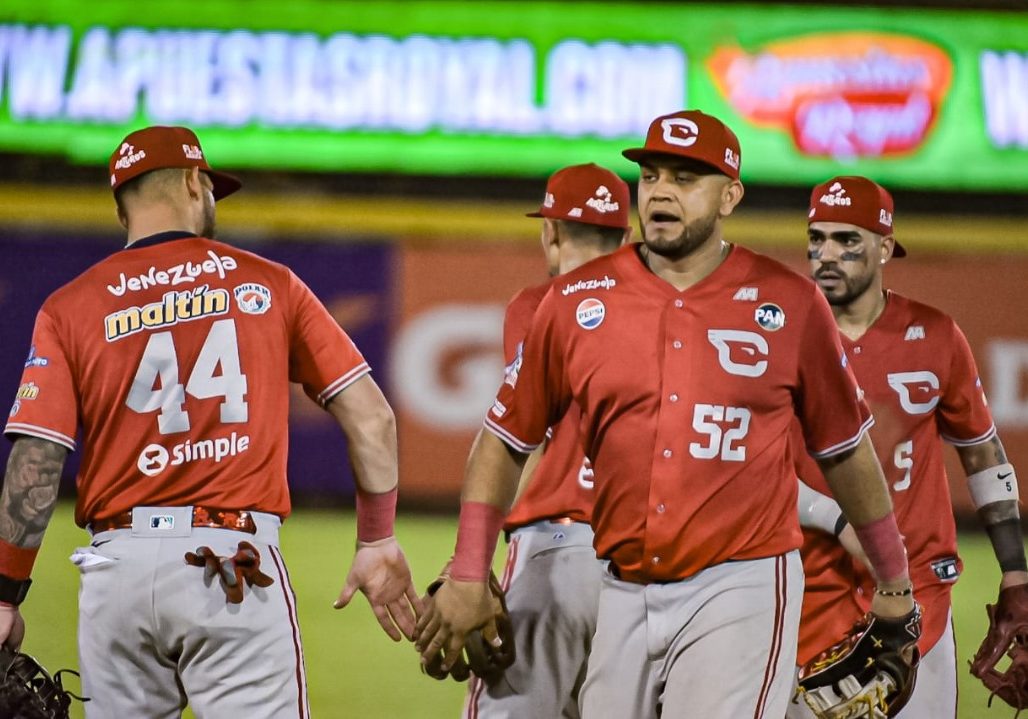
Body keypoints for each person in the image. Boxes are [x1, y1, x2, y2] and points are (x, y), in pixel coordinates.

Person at [414, 110, 919, 718]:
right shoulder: (575, 302)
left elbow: (845, 449)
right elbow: (503, 439)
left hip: (741, 581)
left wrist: (894, 585)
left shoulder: (790, 302)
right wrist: (469, 568)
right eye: (651, 175)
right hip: (621, 584)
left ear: (730, 195)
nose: (660, 191)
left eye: (686, 178)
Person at [0, 125, 421, 718]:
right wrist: (376, 537)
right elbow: (372, 416)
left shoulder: (69, 306)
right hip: (229, 567)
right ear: (197, 184)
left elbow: (36, 461)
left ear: (121, 207)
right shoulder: (270, 283)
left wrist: (4, 594)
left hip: (114, 567)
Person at [787, 175, 1028, 718]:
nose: (828, 254)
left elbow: (982, 455)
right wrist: (838, 523)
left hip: (922, 597)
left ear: (886, 247)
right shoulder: (783, 338)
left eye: (848, 240)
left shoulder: (936, 334)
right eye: (818, 238)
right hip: (809, 589)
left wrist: (1015, 572)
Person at [463, 163, 631, 718]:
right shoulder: (666, 313)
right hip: (646, 569)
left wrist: (469, 564)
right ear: (627, 238)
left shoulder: (536, 307)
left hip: (554, 554)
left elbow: (519, 434)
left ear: (550, 232)